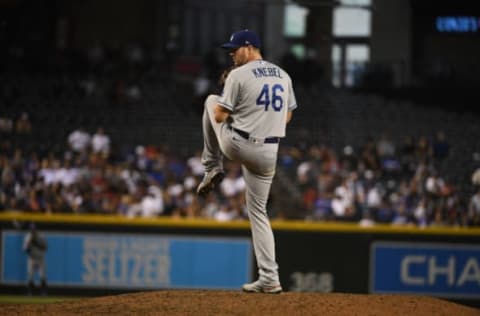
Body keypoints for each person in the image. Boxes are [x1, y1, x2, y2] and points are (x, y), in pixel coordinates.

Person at [196, 29, 297, 294]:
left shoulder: (238, 75)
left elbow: (218, 117)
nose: (231, 53)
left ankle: (211, 167)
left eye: (235, 48)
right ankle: (270, 278)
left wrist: (239, 108)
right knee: (259, 213)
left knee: (209, 101)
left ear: (250, 47)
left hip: (238, 145)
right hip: (269, 154)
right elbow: (286, 117)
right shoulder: (283, 75)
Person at [23, 222, 48, 296]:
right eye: (31, 229)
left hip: (40, 258)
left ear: (36, 228)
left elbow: (45, 247)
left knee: (42, 275)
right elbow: (25, 250)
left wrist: (36, 242)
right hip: (32, 258)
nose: (32, 230)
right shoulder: (27, 237)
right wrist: (29, 245)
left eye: (33, 228)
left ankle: (43, 293)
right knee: (30, 276)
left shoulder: (41, 236)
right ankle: (30, 292)